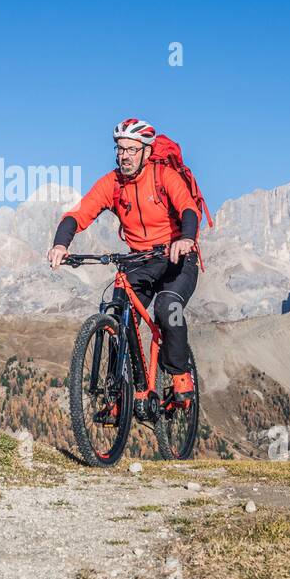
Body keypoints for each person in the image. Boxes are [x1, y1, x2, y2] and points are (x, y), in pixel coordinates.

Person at [46, 118, 199, 407]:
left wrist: (185, 239)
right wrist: (60, 244)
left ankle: (180, 375)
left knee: (169, 308)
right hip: (138, 260)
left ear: (145, 151)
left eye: (130, 149)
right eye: (120, 149)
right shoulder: (112, 183)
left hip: (176, 257)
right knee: (118, 317)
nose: (124, 155)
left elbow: (188, 208)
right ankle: (123, 391)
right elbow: (78, 214)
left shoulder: (163, 176)